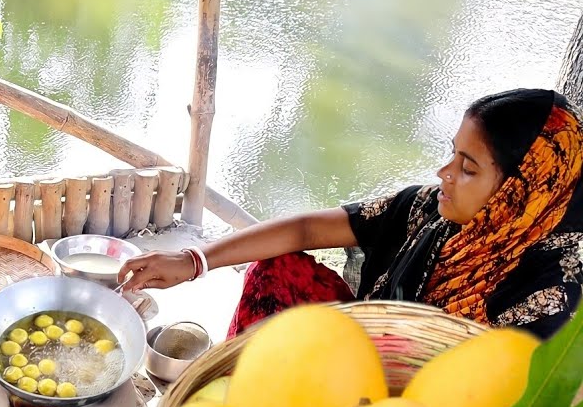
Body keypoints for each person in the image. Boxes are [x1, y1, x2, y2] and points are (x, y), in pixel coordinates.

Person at [119, 88, 583, 340]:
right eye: (452, 154)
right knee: (277, 270)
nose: (444, 172)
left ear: (522, 194)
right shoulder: (431, 212)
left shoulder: (550, 295)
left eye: (468, 168)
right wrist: (193, 261)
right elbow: (306, 229)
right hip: (364, 353)